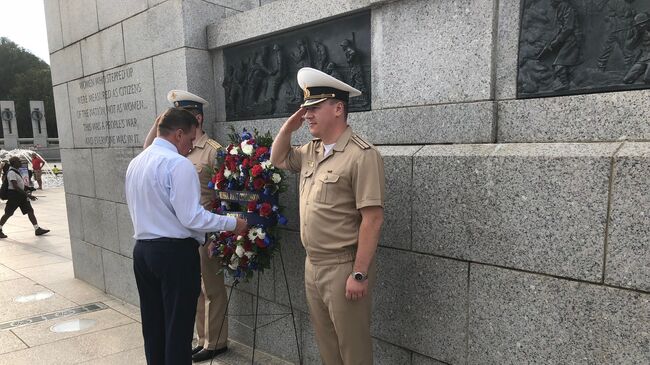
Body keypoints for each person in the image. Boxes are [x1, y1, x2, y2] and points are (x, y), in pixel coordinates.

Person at [270, 67, 385, 365]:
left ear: (338, 108)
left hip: (343, 267)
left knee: (353, 349)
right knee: (327, 347)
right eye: (305, 108)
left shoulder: (362, 154)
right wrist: (288, 128)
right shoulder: (311, 151)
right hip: (314, 266)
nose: (307, 115)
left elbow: (372, 219)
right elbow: (278, 158)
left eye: (314, 108)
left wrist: (359, 273)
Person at [126, 107, 248, 365]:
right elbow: (191, 217)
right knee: (178, 329)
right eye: (191, 139)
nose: (191, 145)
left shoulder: (137, 162)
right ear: (179, 134)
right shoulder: (178, 164)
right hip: (174, 254)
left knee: (154, 325)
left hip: (143, 252)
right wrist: (232, 223)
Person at [143, 90, 230, 362]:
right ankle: (202, 337)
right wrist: (159, 122)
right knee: (194, 291)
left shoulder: (213, 151)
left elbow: (225, 194)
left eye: (185, 115)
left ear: (198, 119)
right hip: (182, 235)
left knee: (212, 289)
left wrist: (220, 232)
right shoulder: (170, 150)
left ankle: (216, 341)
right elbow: (147, 151)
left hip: (205, 230)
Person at [0, 156, 50, 238]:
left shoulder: (16, 171)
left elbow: (20, 185)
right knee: (8, 213)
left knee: (30, 210)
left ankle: (37, 229)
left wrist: (28, 188)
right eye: (18, 161)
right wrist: (28, 195)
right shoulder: (11, 172)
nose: (20, 162)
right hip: (14, 196)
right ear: (14, 163)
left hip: (21, 196)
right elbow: (15, 186)